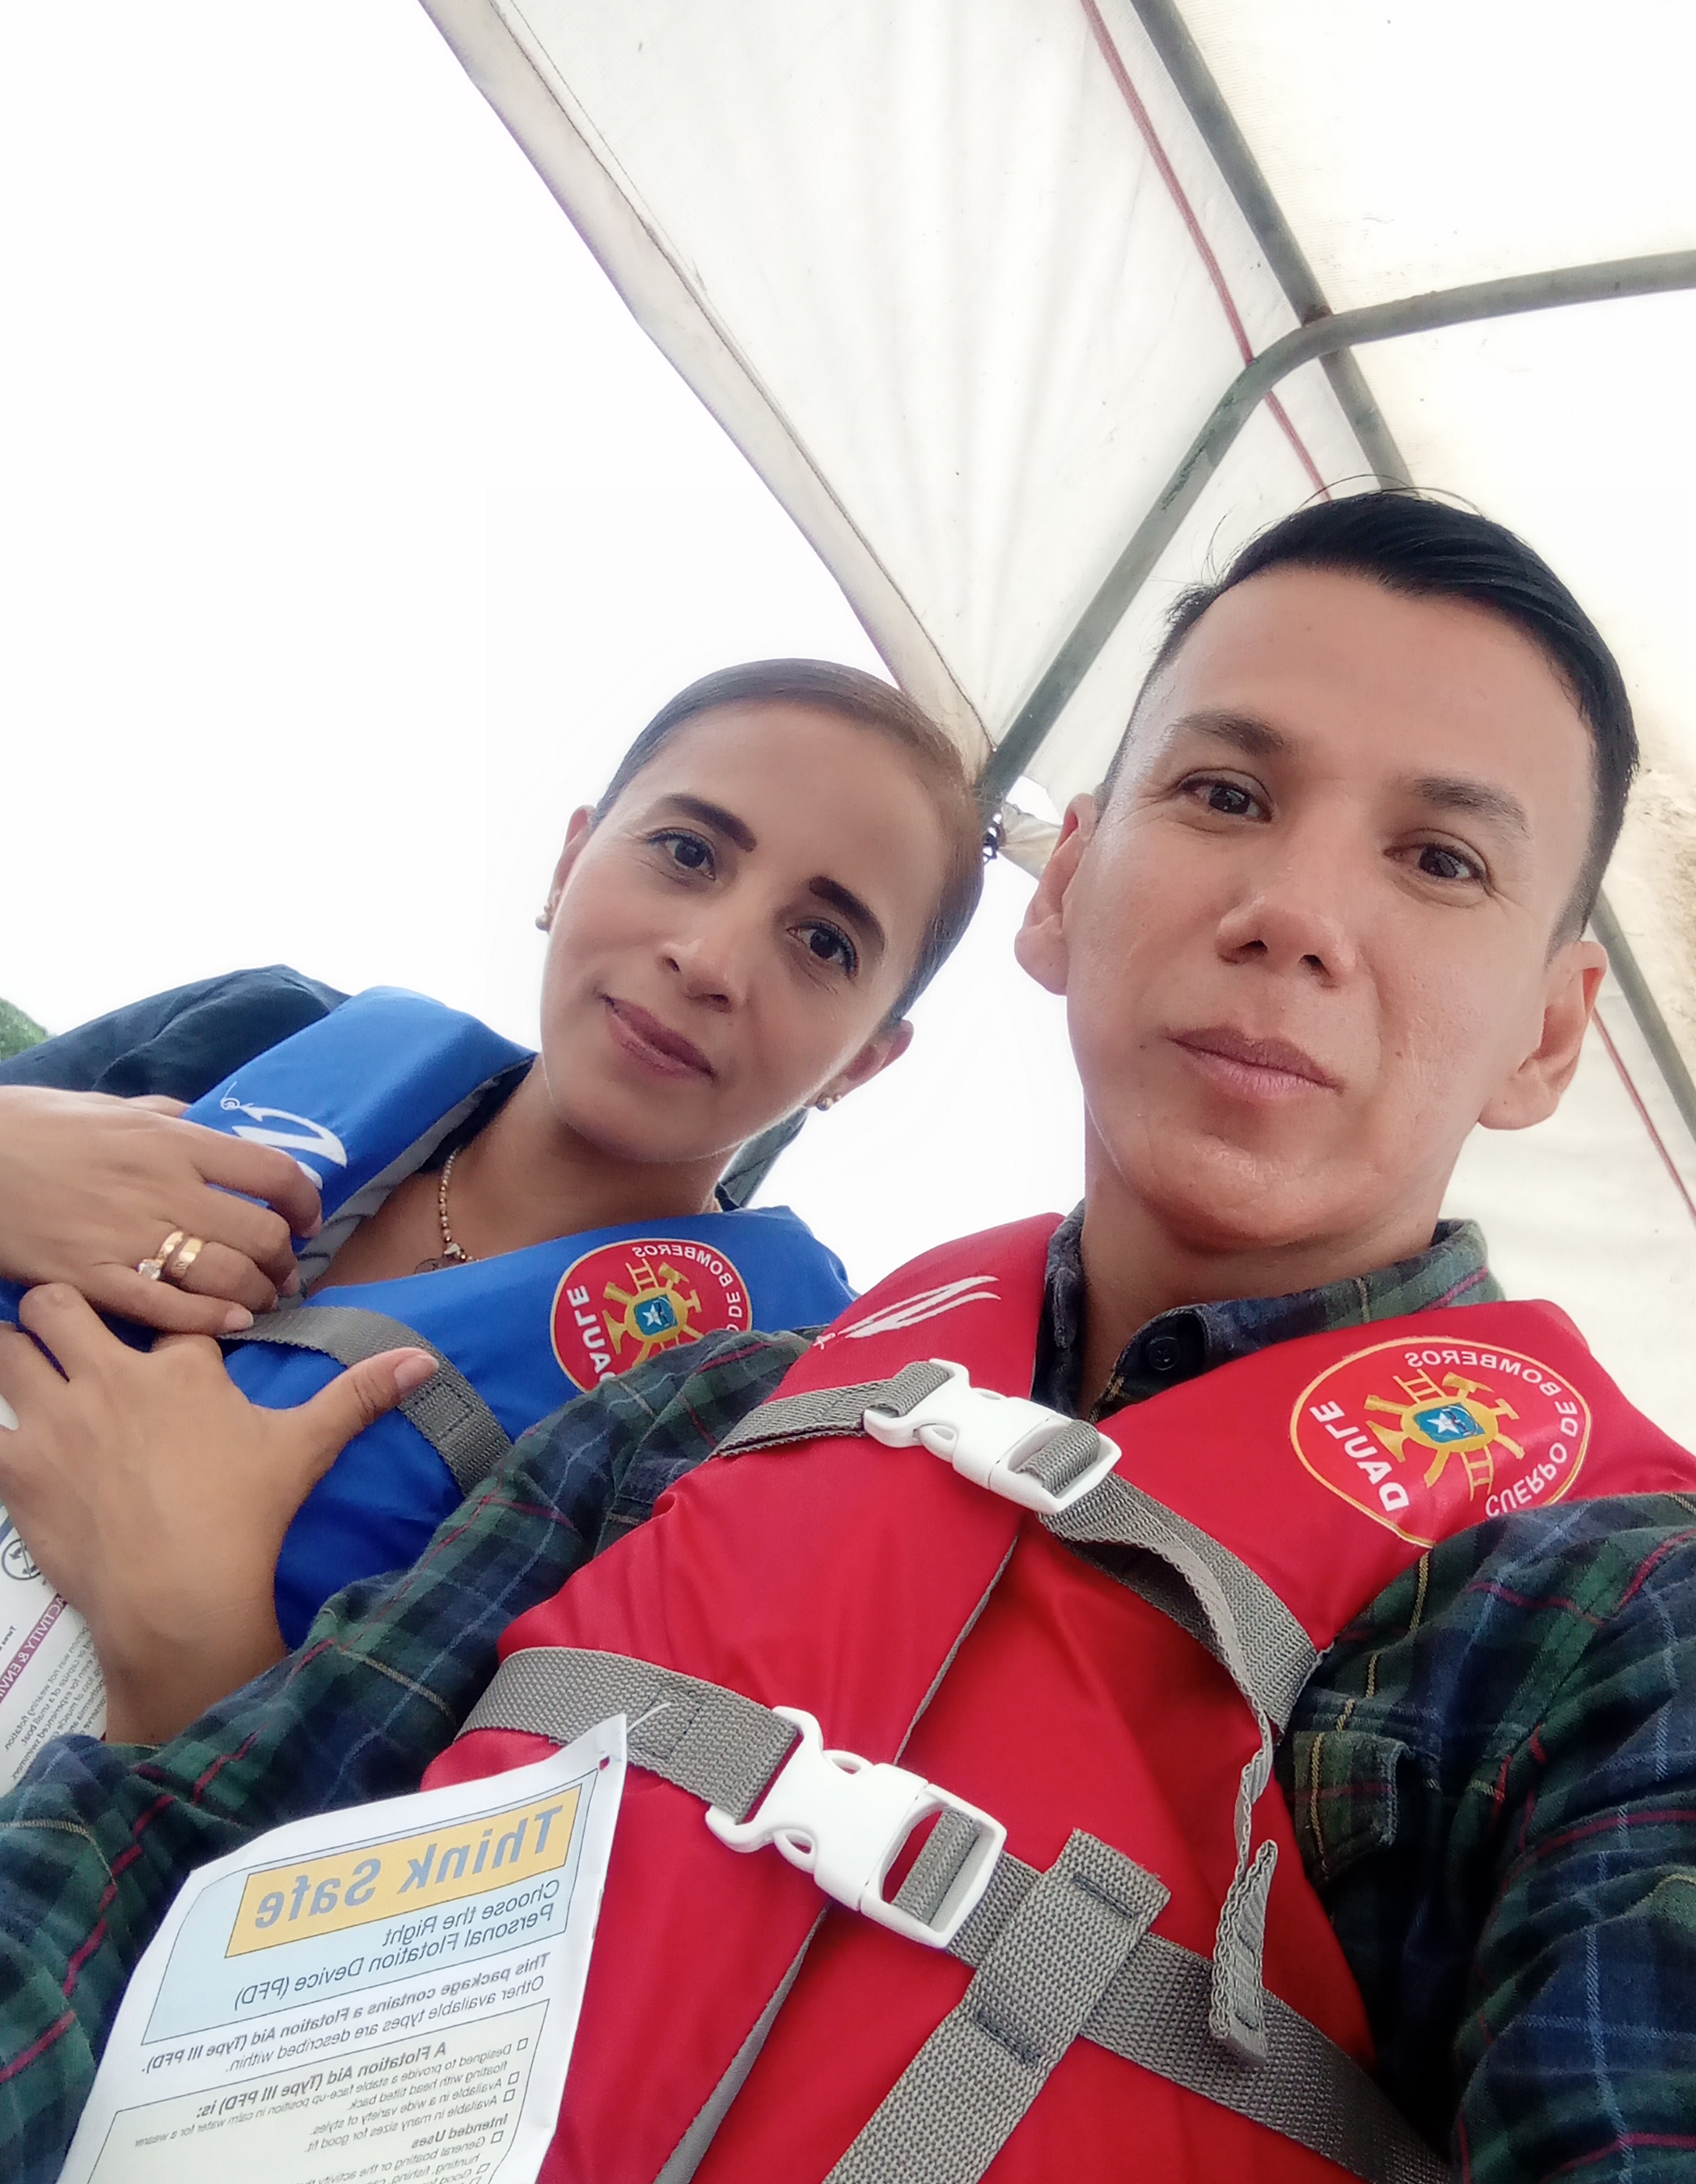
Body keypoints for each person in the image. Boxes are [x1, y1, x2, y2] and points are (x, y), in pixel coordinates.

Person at [0, 493, 1696, 2184]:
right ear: (1066, 887)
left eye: (1440, 858)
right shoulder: (692, 1412)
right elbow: (172, 1857)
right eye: (1226, 794)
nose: (1295, 914)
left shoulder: (1657, 1627)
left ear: (1549, 1033)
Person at [0, 661, 983, 1735]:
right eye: (688, 852)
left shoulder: (750, 1429)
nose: (709, 960)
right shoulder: (255, 1031)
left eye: (824, 942)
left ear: (863, 1062)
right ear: (569, 862)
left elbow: (508, 1816)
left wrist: (193, 1637)